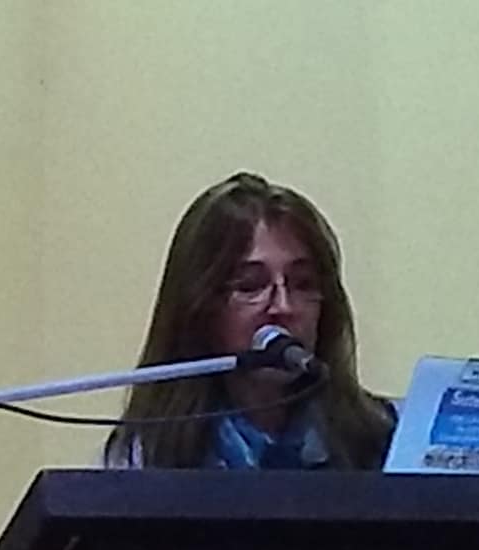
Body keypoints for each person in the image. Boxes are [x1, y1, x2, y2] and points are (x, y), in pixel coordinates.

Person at [103, 171, 397, 470]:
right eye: (250, 285)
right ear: (200, 307)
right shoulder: (145, 454)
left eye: (304, 284)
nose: (283, 307)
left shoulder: (383, 439)